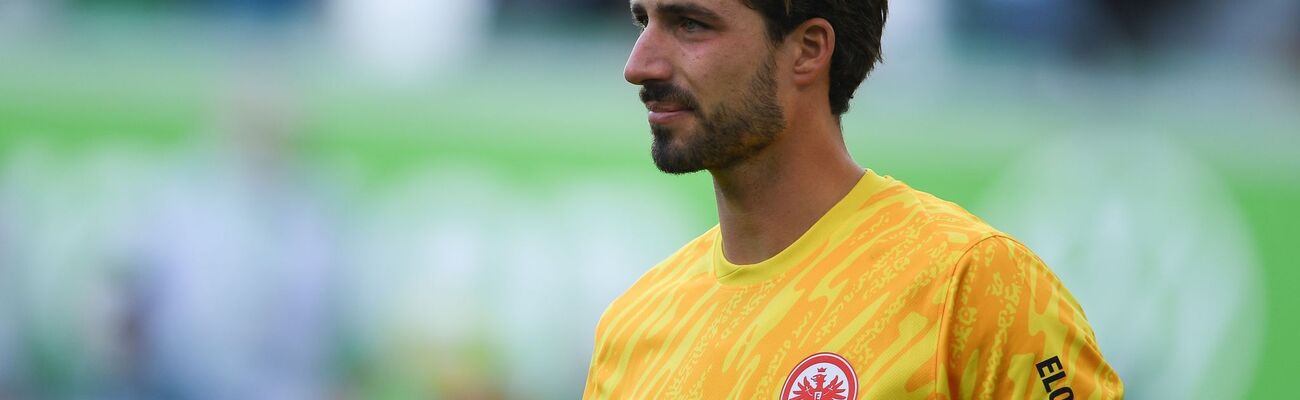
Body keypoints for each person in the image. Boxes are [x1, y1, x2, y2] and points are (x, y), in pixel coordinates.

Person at [582, 0, 1124, 399]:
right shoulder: (631, 326)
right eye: (642, 22)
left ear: (808, 50)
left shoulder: (974, 282)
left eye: (691, 25)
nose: (639, 65)